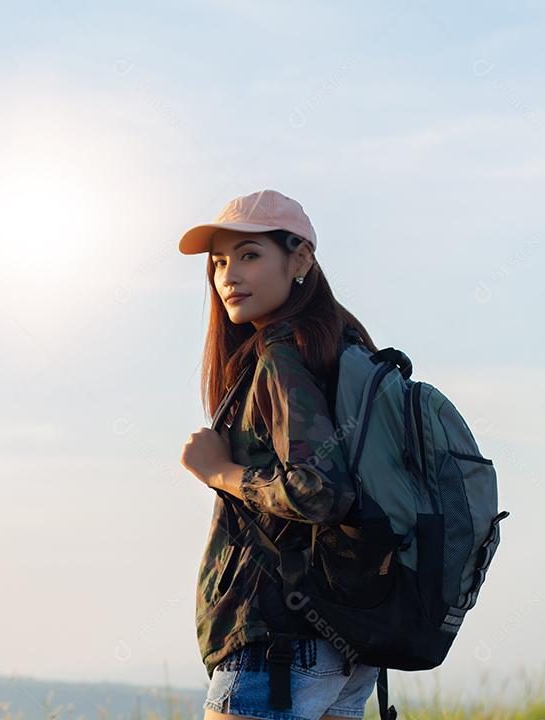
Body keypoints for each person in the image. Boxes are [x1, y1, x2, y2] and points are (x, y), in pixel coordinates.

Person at [177, 189, 382, 720]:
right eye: (219, 262)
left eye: (249, 255)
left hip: (278, 645)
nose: (228, 276)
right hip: (347, 643)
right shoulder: (344, 347)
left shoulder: (282, 353)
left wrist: (220, 471)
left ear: (300, 259)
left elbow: (320, 492)